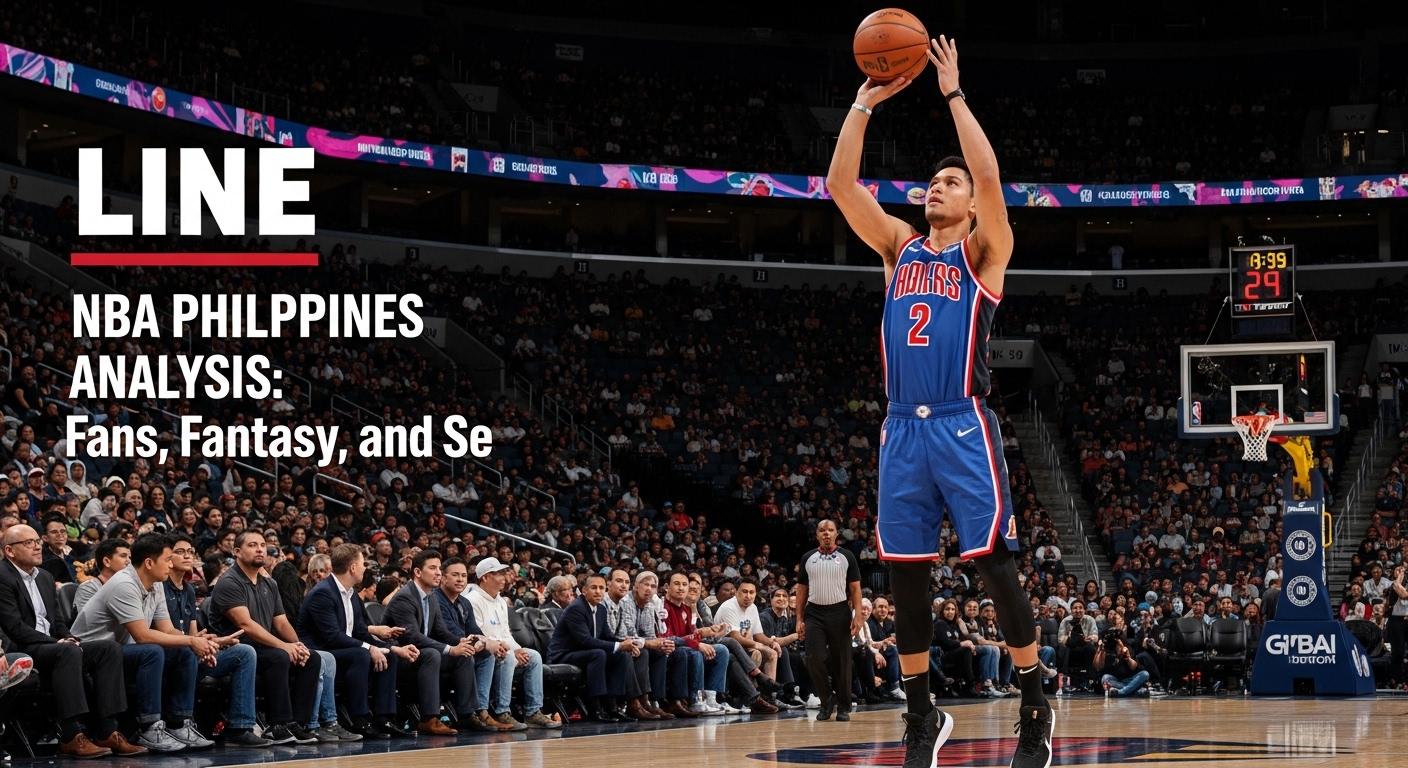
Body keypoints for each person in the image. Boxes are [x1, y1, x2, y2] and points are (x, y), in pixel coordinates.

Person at [826, 35, 1052, 767]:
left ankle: (1034, 704)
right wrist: (863, 103)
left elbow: (989, 175)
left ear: (970, 203)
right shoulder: (899, 248)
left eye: (949, 183)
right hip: (901, 429)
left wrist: (952, 92)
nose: (938, 187)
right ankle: (922, 714)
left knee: (994, 565)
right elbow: (840, 185)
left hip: (962, 423)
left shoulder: (983, 253)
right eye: (932, 181)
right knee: (906, 574)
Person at [0, 524, 141, 758]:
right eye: (28, 543)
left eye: (37, 541)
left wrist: (68, 637)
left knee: (108, 649)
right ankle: (71, 735)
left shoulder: (45, 577)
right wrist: (56, 643)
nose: (37, 547)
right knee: (68, 652)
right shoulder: (3, 576)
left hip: (52, 646)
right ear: (9, 551)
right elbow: (14, 627)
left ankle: (108, 730)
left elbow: (57, 621)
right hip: (22, 648)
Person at [70, 533, 219, 751]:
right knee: (152, 651)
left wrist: (197, 643)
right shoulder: (124, 584)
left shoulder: (156, 584)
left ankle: (179, 724)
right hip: (92, 654)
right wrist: (190, 640)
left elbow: (167, 629)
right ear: (149, 563)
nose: (171, 565)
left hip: (122, 650)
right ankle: (149, 728)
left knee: (184, 652)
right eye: (167, 560)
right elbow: (142, 635)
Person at [207, 531, 323, 745]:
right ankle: (277, 725)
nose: (260, 549)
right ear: (237, 552)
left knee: (312, 658)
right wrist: (284, 647)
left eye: (262, 545)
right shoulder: (229, 581)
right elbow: (246, 625)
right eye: (252, 545)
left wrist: (298, 646)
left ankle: (296, 724)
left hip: (263, 647)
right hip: (235, 649)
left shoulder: (270, 584)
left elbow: (281, 622)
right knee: (278, 656)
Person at [162, 531, 271, 747]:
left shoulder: (189, 590)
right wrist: (196, 643)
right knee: (187, 654)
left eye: (190, 552)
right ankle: (181, 724)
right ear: (167, 557)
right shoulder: (159, 587)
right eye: (180, 552)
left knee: (244, 652)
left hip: (191, 651)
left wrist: (214, 642)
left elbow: (193, 634)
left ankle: (240, 728)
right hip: (172, 654)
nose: (187, 556)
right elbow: (166, 633)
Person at [298, 543, 415, 739]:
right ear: (352, 567)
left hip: (343, 648)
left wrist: (391, 649)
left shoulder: (351, 593)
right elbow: (332, 636)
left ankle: (384, 718)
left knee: (388, 656)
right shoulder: (323, 593)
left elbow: (360, 631)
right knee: (361, 654)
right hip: (321, 652)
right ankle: (359, 719)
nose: (364, 568)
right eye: (362, 564)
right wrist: (369, 648)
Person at [383, 549, 476, 735]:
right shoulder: (404, 597)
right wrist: (450, 649)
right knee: (433, 654)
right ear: (418, 572)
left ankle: (467, 715)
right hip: (400, 656)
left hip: (421, 654)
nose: (438, 573)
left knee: (464, 655)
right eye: (433, 568)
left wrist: (461, 642)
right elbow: (412, 637)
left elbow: (441, 631)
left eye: (439, 568)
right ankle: (429, 719)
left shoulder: (431, 595)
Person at [466, 556, 561, 729]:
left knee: (533, 657)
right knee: (508, 657)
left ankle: (533, 712)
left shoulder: (501, 601)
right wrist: (506, 648)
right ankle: (502, 712)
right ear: (485, 577)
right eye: (498, 574)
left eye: (503, 573)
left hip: (504, 648)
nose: (504, 577)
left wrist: (517, 649)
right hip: (484, 652)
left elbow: (505, 633)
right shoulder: (473, 600)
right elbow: (477, 633)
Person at [796, 519, 861, 722]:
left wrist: (858, 615)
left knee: (842, 661)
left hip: (839, 612)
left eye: (830, 530)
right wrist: (799, 618)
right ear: (817, 535)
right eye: (822, 530)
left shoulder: (847, 556)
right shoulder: (807, 558)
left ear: (836, 534)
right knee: (813, 657)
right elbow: (801, 590)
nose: (826, 533)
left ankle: (844, 706)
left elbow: (855, 588)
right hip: (814, 613)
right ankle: (826, 700)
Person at [435, 556, 509, 731]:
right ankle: (467, 715)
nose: (460, 579)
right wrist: (480, 642)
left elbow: (474, 630)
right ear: (443, 578)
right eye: (455, 575)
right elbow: (450, 633)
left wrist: (485, 642)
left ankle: (481, 710)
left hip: (463, 646)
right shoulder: (436, 600)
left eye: (463, 575)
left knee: (487, 655)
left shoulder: (464, 602)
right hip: (442, 650)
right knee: (468, 654)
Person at [547, 573, 635, 721]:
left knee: (620, 655)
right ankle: (595, 709)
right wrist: (619, 645)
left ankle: (613, 707)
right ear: (584, 590)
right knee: (598, 654)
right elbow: (585, 641)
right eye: (594, 588)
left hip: (584, 653)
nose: (598, 591)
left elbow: (607, 636)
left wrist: (627, 645)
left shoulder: (601, 609)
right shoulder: (576, 608)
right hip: (562, 655)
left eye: (601, 588)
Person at [73, 537, 130, 613]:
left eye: (129, 557)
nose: (129, 561)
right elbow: (89, 619)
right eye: (123, 556)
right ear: (107, 562)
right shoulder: (88, 589)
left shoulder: (126, 587)